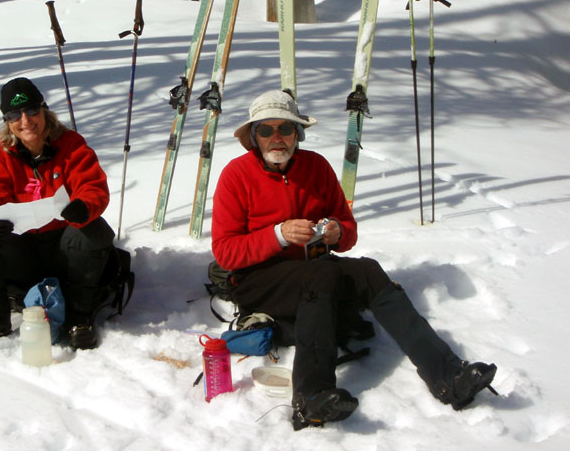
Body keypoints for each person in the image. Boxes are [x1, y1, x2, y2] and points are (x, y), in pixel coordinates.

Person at [211, 90, 497, 429]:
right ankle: (311, 396)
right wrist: (278, 235)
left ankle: (448, 375)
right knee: (322, 277)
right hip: (259, 281)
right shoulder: (236, 175)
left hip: (313, 271)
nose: (276, 138)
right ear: (253, 136)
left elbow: (348, 228)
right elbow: (225, 251)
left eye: (285, 129)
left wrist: (336, 232)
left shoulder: (316, 167)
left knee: (368, 271)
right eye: (266, 130)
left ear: (297, 134)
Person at [0, 77, 116, 353]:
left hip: (64, 251)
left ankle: (79, 319)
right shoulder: (2, 153)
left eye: (32, 111)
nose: (25, 120)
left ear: (44, 111)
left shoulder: (70, 144)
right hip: (22, 251)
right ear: (7, 121)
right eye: (14, 115)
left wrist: (84, 206)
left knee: (94, 230)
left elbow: (92, 186)